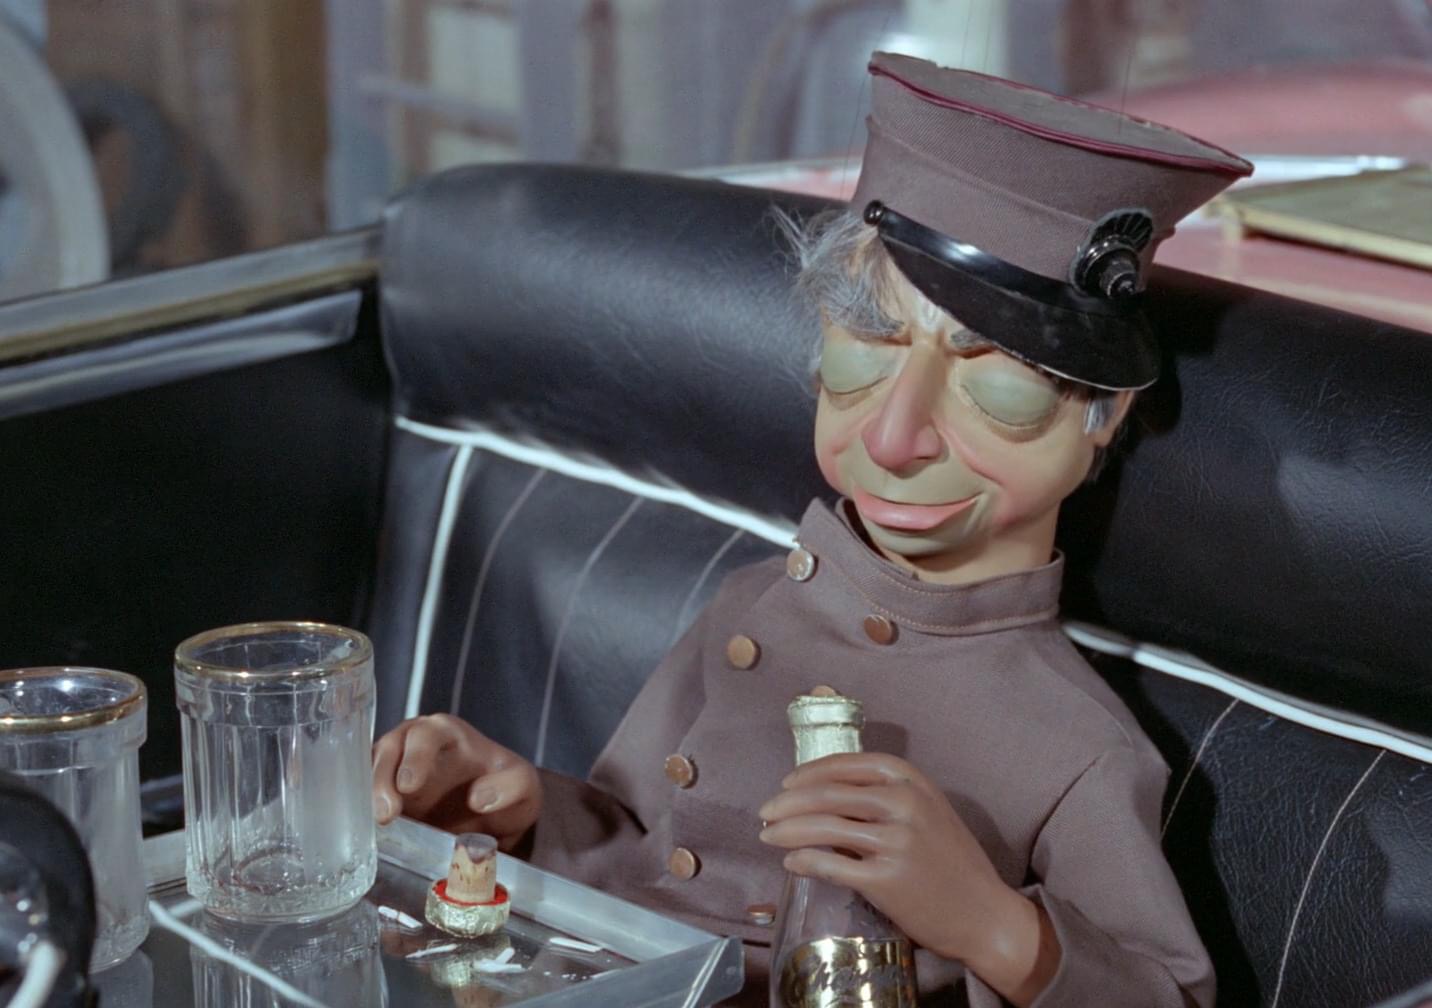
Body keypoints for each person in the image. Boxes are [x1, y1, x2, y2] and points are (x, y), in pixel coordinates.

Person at [371, 51, 1251, 1006]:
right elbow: (644, 850)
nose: (895, 437)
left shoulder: (1078, 744)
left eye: (996, 388)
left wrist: (992, 925)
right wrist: (518, 813)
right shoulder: (754, 600)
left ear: (1105, 417)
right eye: (863, 357)